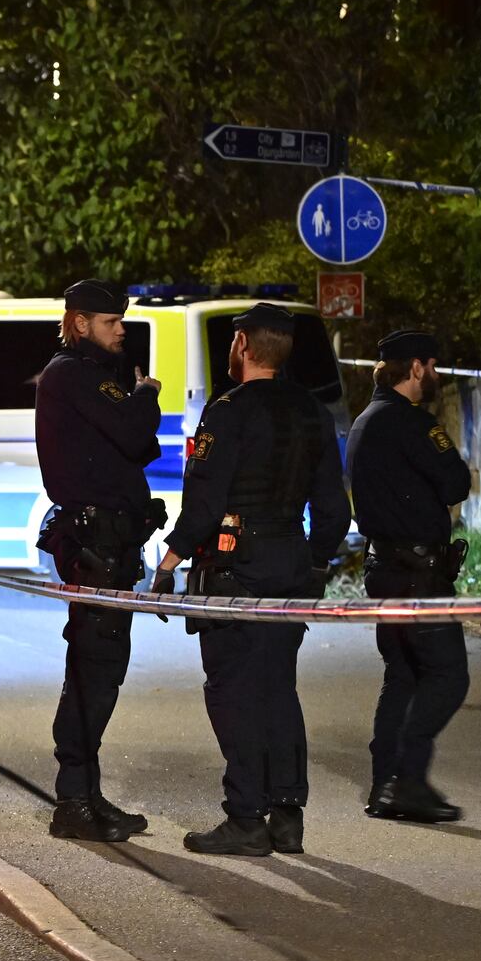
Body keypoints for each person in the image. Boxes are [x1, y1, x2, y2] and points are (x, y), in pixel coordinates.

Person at [150, 303, 350, 855]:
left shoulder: (227, 411)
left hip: (237, 566)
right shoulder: (312, 412)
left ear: (241, 345)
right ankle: (287, 816)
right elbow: (334, 509)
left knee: (234, 692)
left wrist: (169, 563)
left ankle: (245, 818)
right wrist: (314, 563)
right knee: (278, 688)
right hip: (290, 560)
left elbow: (206, 502)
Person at [35, 278, 167, 842]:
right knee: (93, 668)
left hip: (112, 545)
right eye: (111, 323)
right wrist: (146, 395)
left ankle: (86, 794)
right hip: (94, 547)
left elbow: (134, 445)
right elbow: (137, 436)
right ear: (80, 321)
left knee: (102, 670)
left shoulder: (93, 375)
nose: (122, 332)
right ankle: (73, 803)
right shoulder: (71, 373)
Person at [346, 330, 472, 823]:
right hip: (420, 576)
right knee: (447, 675)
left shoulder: (364, 422)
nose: (436, 374)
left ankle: (386, 783)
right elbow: (456, 483)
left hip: (384, 569)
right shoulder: (411, 424)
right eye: (432, 365)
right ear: (415, 368)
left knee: (402, 674)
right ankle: (408, 780)